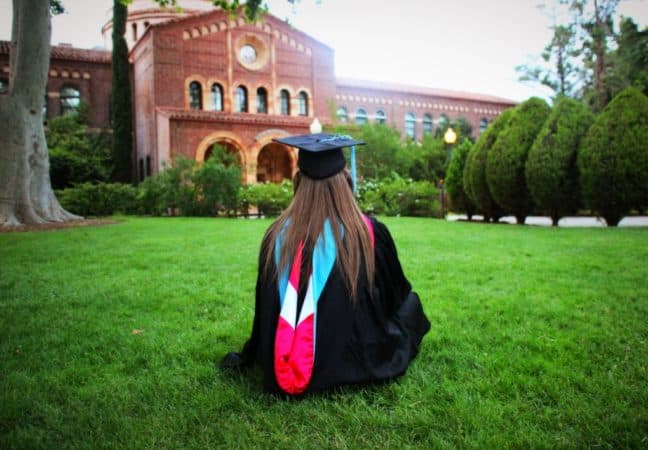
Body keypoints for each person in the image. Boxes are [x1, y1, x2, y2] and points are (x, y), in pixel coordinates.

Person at [221, 133, 430, 395]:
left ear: (298, 181)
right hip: (354, 355)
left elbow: (266, 308)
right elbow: (394, 296)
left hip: (285, 351)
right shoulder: (368, 232)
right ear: (345, 182)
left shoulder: (276, 235)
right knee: (412, 303)